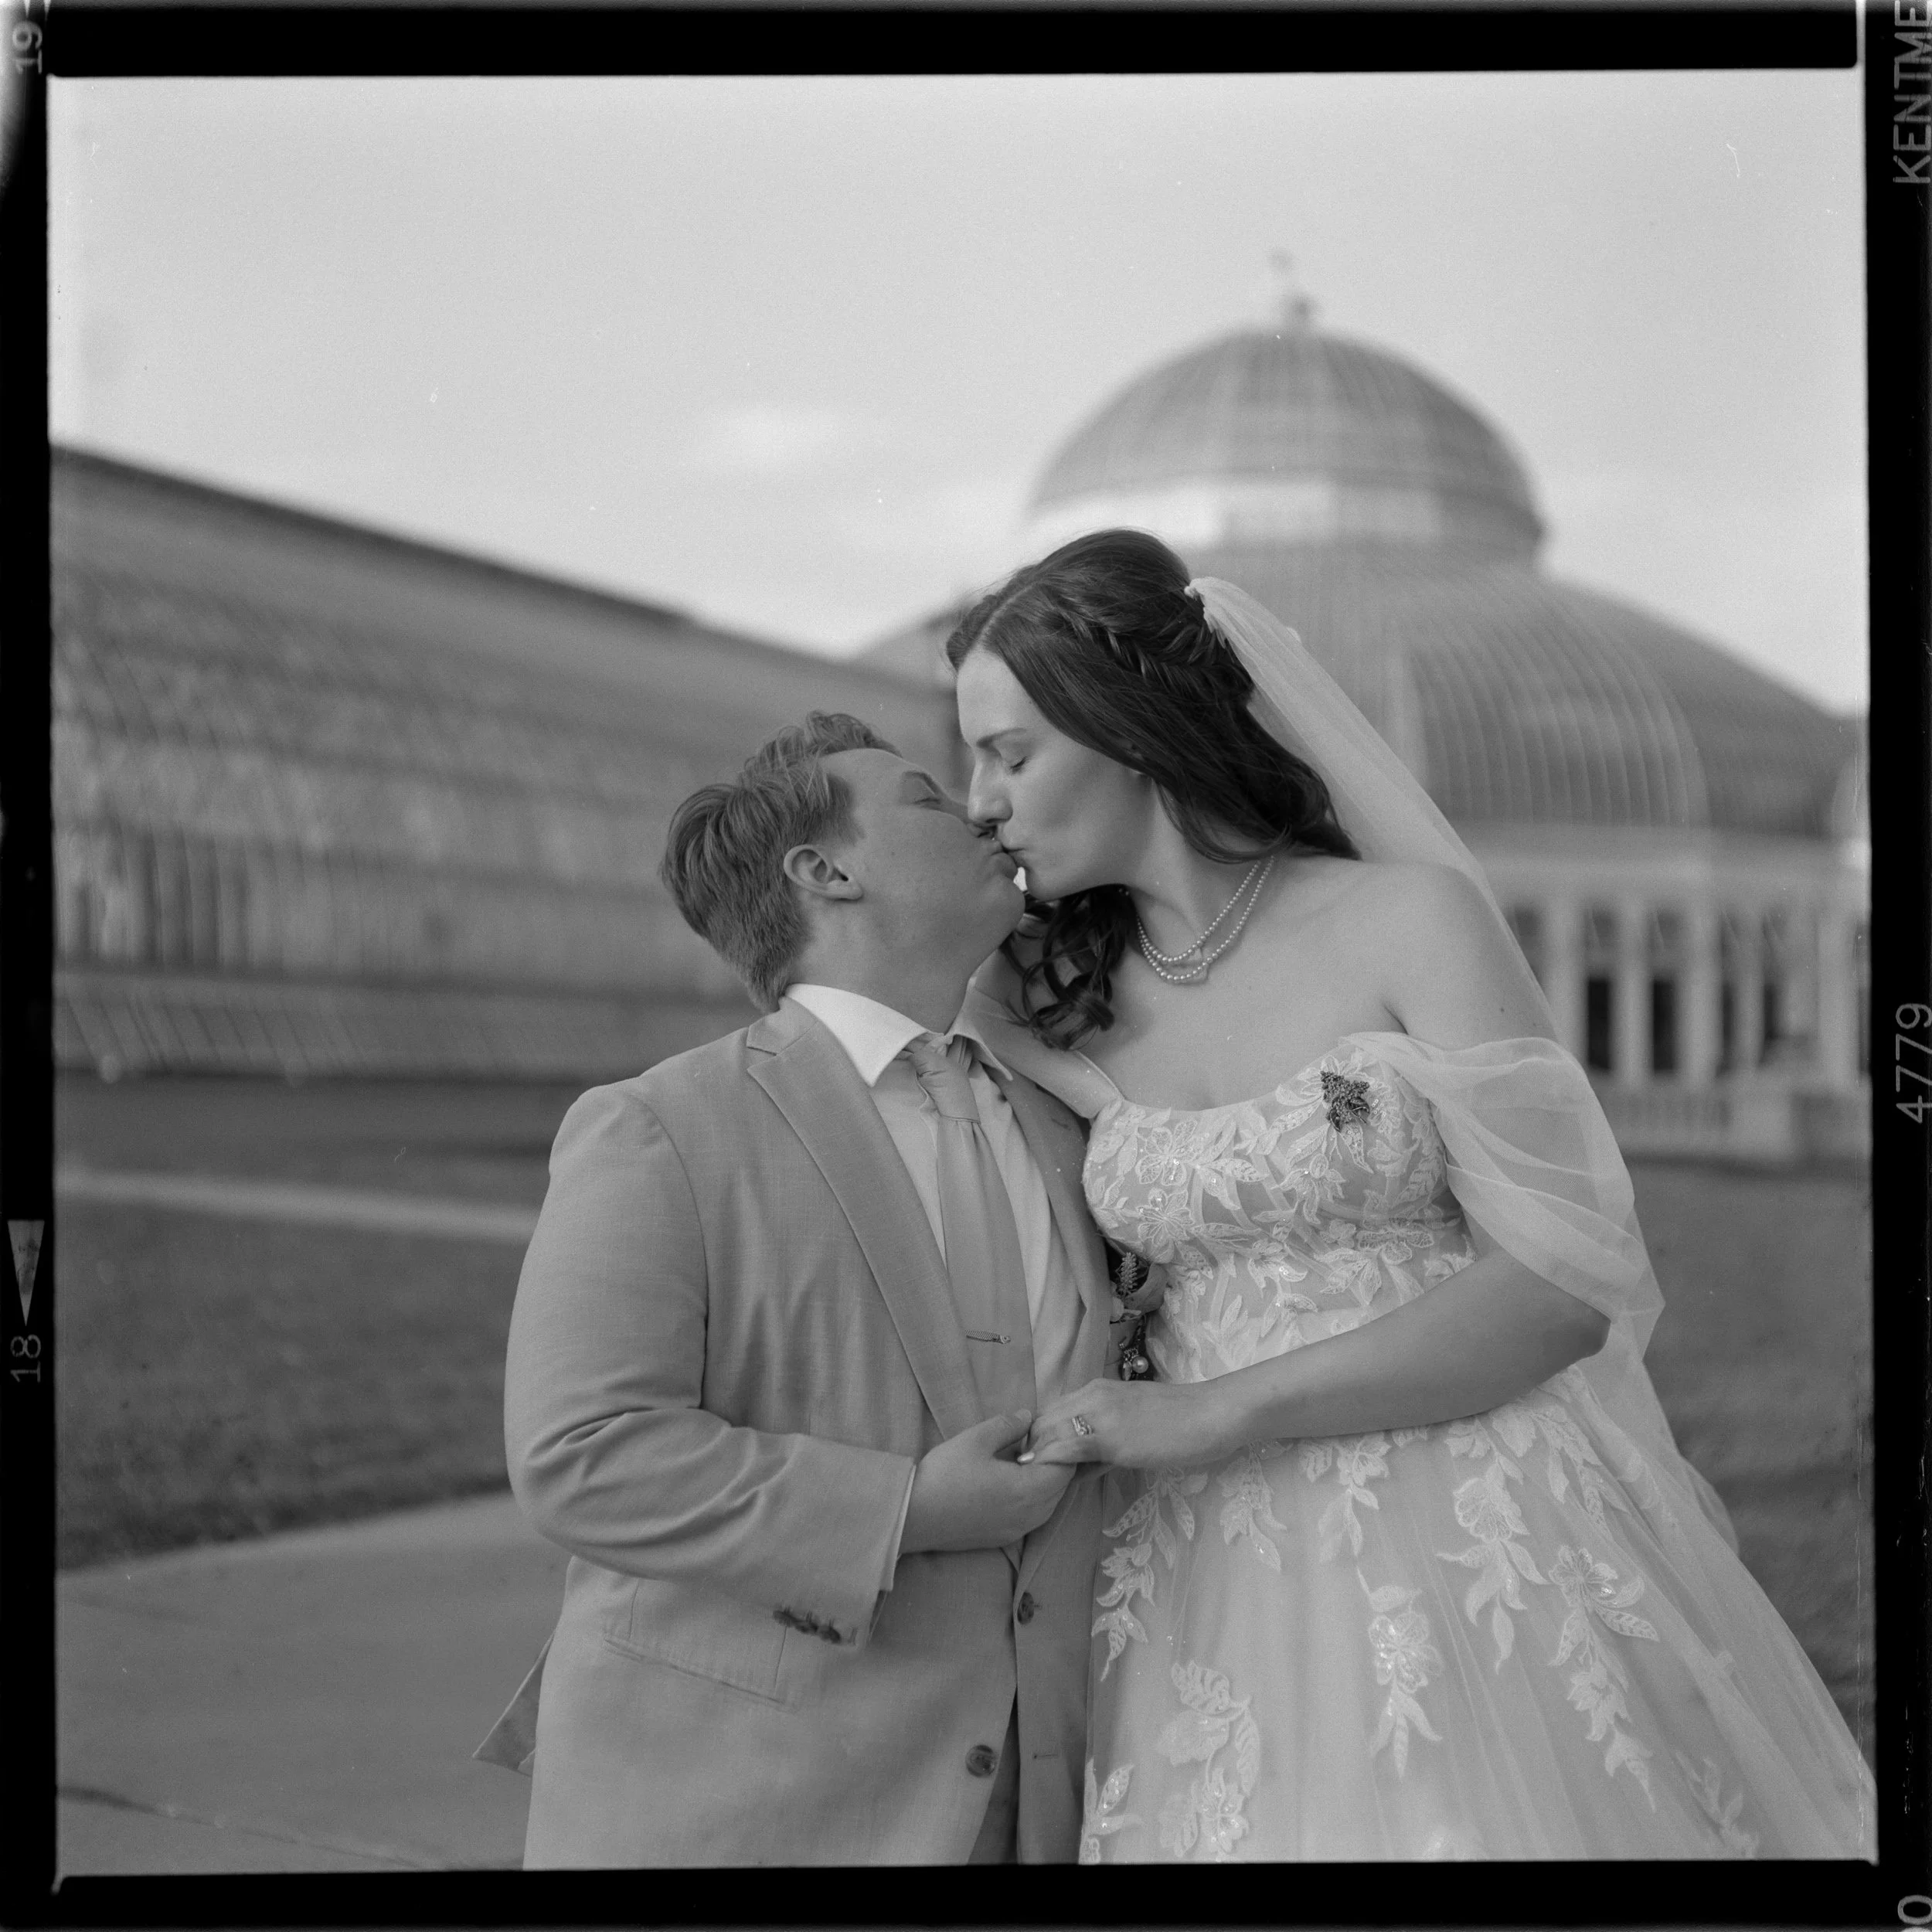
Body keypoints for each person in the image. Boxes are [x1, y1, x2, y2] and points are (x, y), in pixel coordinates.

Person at [945, 528, 1877, 1862]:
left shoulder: (1410, 922)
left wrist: (1218, 1410)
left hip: (1468, 1529)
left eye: (1008, 751)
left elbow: (1559, 1285)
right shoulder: (1029, 998)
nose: (979, 797)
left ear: (1129, 730)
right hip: (1185, 1572)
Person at [474, 713, 1115, 1865]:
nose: (977, 809)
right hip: (745, 1814)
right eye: (925, 797)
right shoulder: (659, 1128)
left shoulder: (1066, 1124)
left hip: (1033, 1803)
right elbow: (583, 1453)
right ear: (826, 872)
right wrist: (908, 1509)